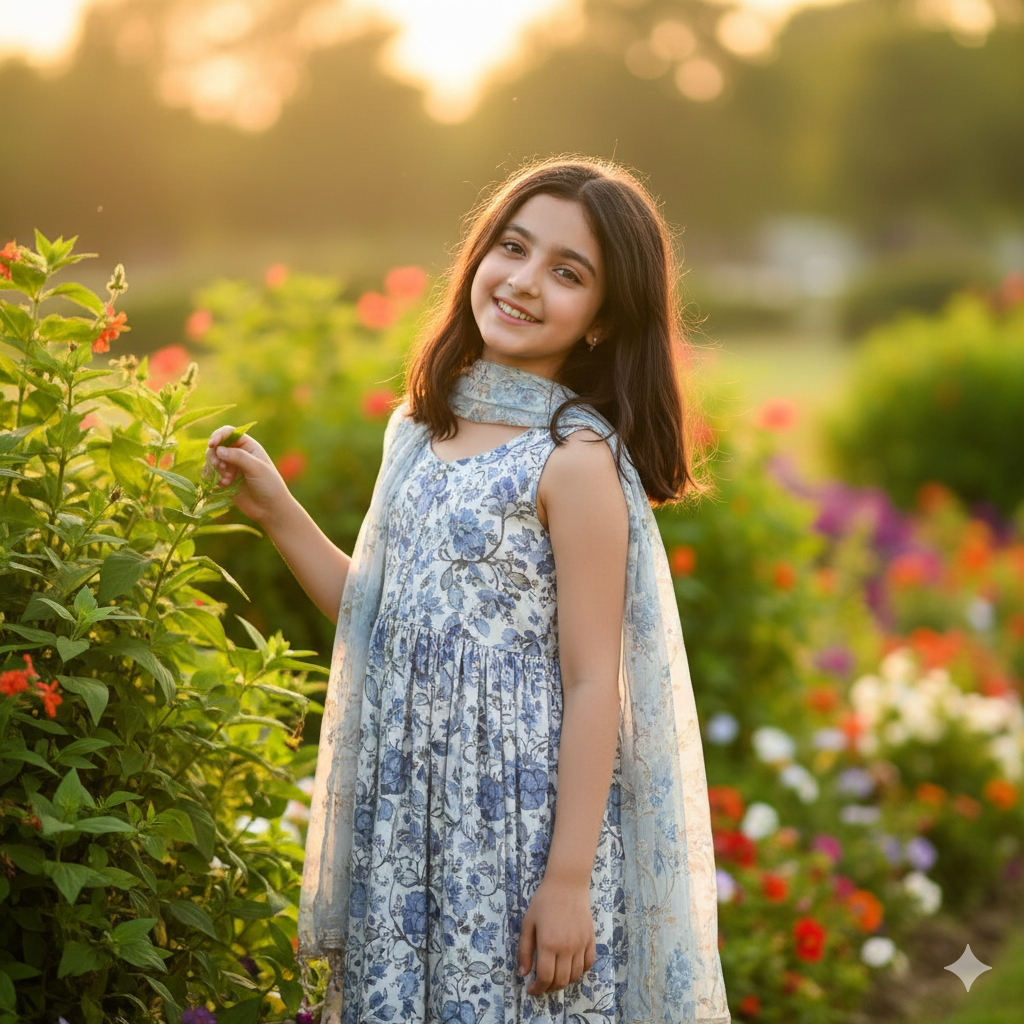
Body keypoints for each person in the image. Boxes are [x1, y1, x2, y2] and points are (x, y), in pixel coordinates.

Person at [205, 158, 729, 1023]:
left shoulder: (575, 458)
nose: (524, 282)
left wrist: (566, 884)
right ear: (478, 255)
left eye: (569, 273)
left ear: (602, 320)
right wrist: (277, 512)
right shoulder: (418, 427)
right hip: (407, 814)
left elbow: (598, 682)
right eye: (513, 248)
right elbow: (386, 619)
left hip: (517, 825)